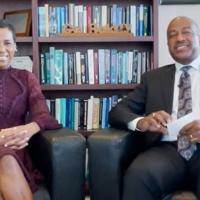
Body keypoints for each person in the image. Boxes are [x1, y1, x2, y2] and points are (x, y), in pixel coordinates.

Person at [109, 16, 200, 199]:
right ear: (167, 44)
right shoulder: (153, 78)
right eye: (173, 35)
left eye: (186, 32)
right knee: (139, 175)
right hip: (168, 151)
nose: (180, 38)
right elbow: (117, 112)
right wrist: (142, 121)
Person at [0, 19, 60, 200]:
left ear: (15, 47)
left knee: (7, 158)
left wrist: (27, 129)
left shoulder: (26, 78)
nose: (2, 49)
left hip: (13, 151)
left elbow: (43, 115)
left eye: (7, 43)